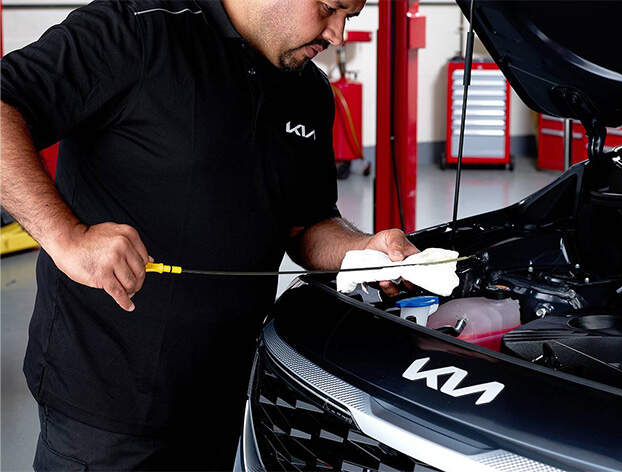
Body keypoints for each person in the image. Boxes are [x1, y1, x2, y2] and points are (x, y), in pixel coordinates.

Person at [0, 0, 417, 469]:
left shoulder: (309, 92)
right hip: (103, 414)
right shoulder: (136, 30)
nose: (338, 32)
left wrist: (363, 248)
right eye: (329, 7)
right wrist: (65, 236)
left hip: (219, 403)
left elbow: (308, 223)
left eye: (350, 17)